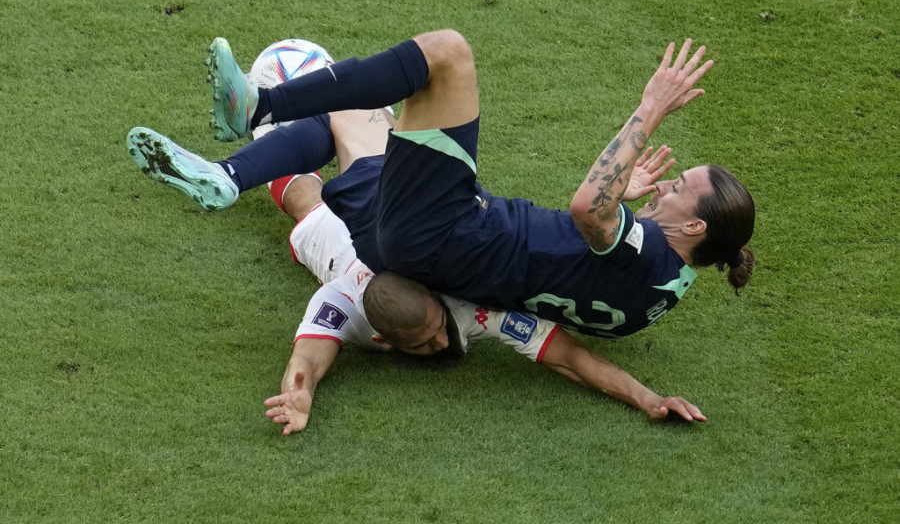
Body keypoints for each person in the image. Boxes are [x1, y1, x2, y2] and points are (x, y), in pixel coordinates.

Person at [128, 99, 706, 432]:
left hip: (388, 233)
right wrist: (299, 393)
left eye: (436, 329)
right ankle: (265, 127)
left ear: (437, 294)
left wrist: (647, 399)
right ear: (381, 339)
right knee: (309, 197)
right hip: (342, 245)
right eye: (427, 342)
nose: (442, 343)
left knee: (353, 134)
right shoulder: (343, 300)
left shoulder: (465, 308)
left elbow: (573, 359)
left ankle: (261, 135)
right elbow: (308, 356)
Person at [198, 32, 755, 339]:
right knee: (357, 119)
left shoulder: (647, 250)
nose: (665, 186)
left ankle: (260, 106)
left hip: (450, 224)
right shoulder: (662, 292)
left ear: (694, 226)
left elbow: (588, 208)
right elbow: (591, 254)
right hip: (415, 257)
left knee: (447, 55)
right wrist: (625, 205)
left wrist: (651, 107)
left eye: (679, 187)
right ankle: (229, 175)